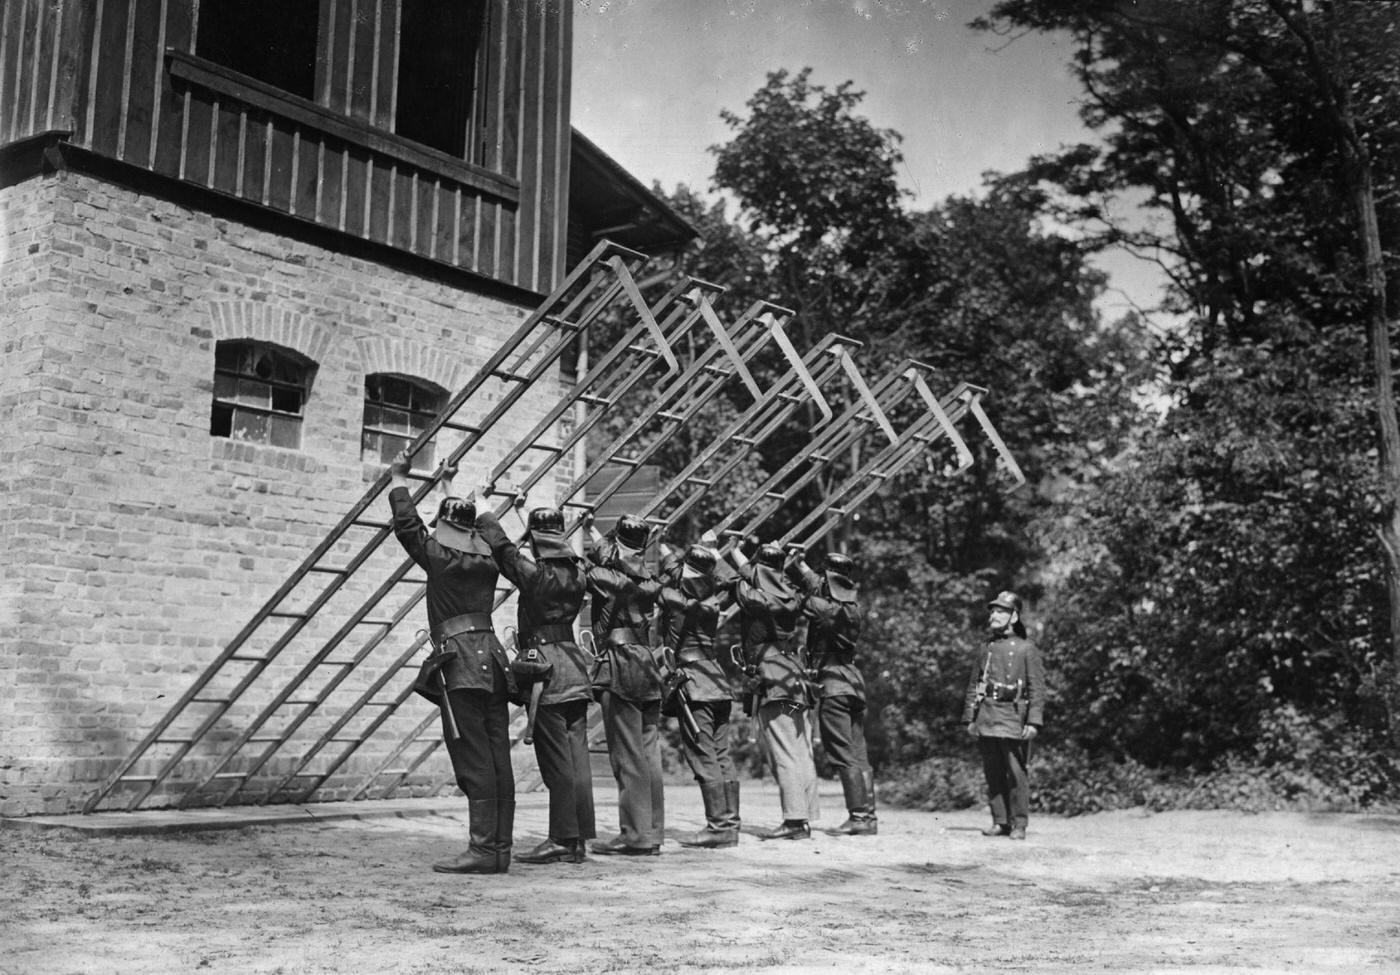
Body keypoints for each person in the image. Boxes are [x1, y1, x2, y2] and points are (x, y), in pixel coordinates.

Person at [388, 451, 515, 874]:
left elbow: (409, 526)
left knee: (473, 757)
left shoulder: (439, 557)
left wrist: (398, 477)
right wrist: (450, 487)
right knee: (497, 757)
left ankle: (483, 850)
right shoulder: (489, 559)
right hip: (493, 660)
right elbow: (465, 527)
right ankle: (499, 850)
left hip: (459, 664)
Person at [477, 504, 594, 865]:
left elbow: (504, 550)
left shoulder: (536, 575)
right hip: (574, 668)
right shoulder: (579, 573)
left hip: (548, 673)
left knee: (556, 762)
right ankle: (577, 840)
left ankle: (561, 839)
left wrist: (486, 514)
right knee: (578, 760)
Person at [584, 513, 665, 856]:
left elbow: (597, 561)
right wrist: (594, 531)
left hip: (619, 663)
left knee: (627, 756)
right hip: (646, 663)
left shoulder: (605, 577)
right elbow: (616, 556)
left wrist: (594, 534)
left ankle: (635, 835)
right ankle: (652, 832)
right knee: (649, 754)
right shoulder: (651, 582)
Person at [727, 537, 818, 840]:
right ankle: (805, 814)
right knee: (801, 750)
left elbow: (739, 579)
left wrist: (729, 551)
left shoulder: (754, 596)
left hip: (772, 677)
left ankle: (795, 820)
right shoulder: (791, 594)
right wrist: (778, 559)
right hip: (795, 677)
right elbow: (761, 574)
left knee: (784, 752)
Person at [657, 542, 741, 848]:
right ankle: (730, 823)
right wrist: (715, 556)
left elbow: (658, 584)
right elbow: (730, 580)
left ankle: (719, 826)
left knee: (703, 755)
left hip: (694, 682)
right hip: (716, 680)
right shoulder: (713, 598)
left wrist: (664, 550)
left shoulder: (676, 597)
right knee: (721, 754)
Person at [788, 550, 876, 835]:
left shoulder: (824, 609)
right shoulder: (850, 608)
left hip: (833, 685)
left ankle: (858, 816)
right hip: (853, 682)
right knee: (858, 753)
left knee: (842, 753)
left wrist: (787, 567)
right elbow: (817, 585)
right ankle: (868, 816)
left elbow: (792, 598)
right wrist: (800, 565)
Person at [962, 590, 1045, 841]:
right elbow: (974, 683)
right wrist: (970, 718)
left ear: (1014, 616)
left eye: (1000, 611)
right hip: (987, 714)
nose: (994, 616)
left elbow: (1037, 688)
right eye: (993, 612)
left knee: (1016, 773)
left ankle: (1019, 823)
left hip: (1013, 716)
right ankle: (1000, 821)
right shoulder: (986, 648)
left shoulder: (1027, 648)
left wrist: (1033, 721)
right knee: (993, 771)